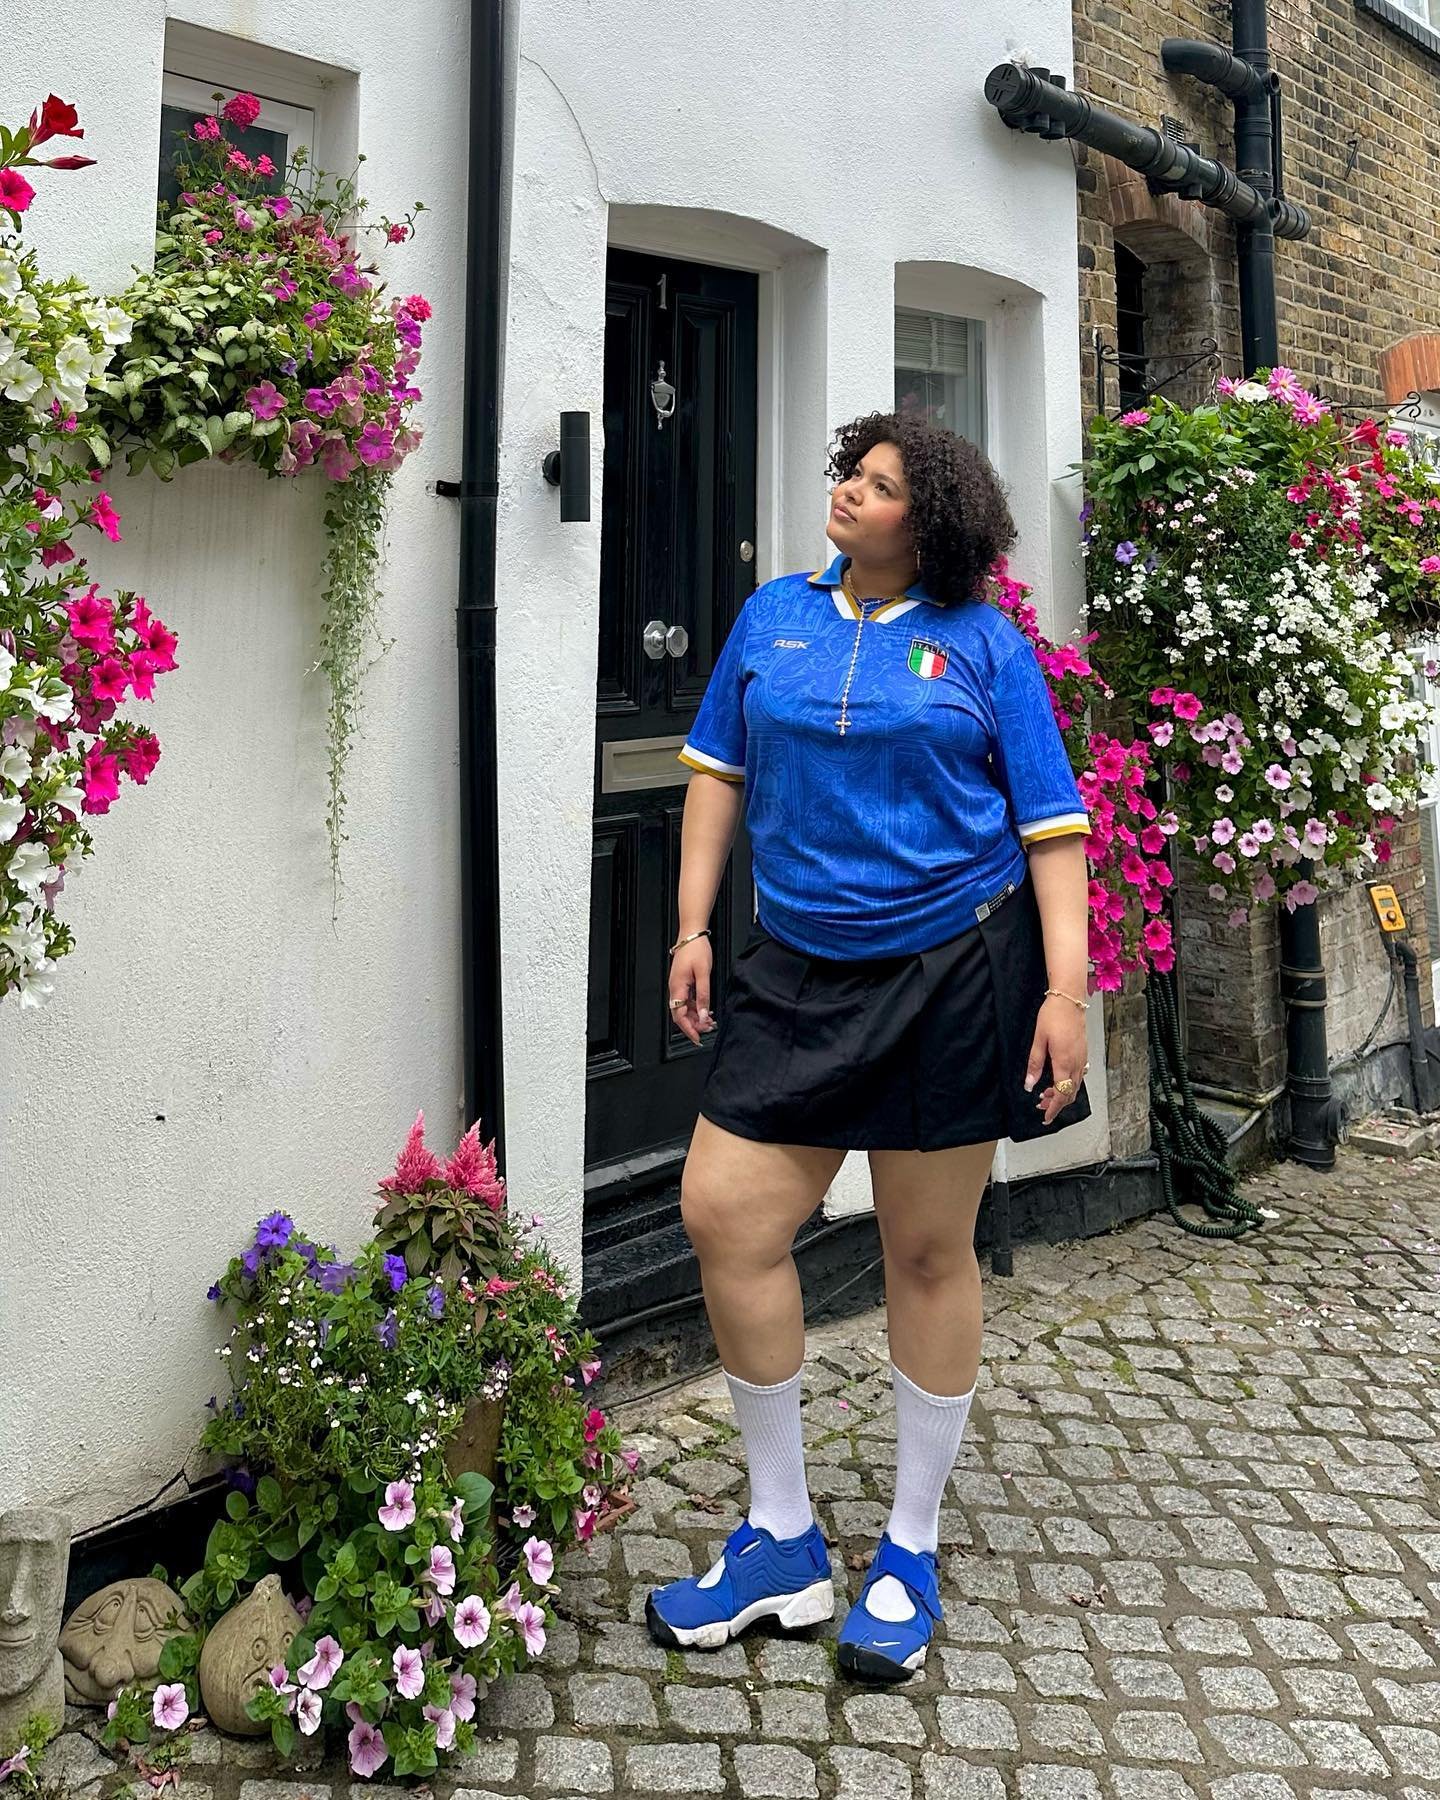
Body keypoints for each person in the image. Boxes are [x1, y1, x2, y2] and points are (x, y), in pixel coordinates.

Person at [642, 409, 1093, 1682]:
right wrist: (691, 925)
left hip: (954, 972)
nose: (848, 488)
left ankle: (908, 1543)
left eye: (881, 483)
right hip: (794, 970)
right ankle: (781, 1535)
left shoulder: (986, 647)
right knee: (727, 1214)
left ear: (929, 522)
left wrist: (1063, 992)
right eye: (849, 467)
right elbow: (718, 771)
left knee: (926, 1247)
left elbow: (1052, 828)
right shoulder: (772, 619)